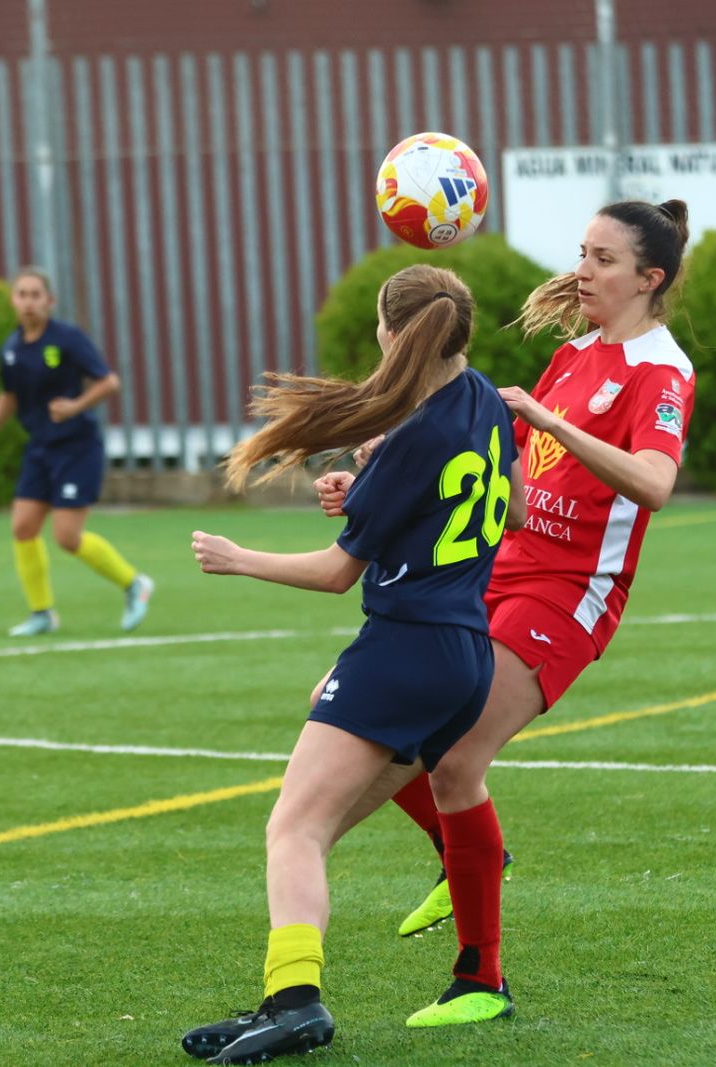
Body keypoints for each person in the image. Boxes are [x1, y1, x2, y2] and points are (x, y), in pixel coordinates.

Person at [314, 200, 696, 992]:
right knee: (339, 698)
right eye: (583, 253)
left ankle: (480, 981)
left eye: (603, 260)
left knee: (455, 757)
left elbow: (656, 484)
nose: (583, 271)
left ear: (648, 278)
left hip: (570, 591)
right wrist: (388, 471)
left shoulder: (662, 371)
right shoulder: (575, 355)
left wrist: (546, 415)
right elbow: (500, 468)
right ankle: (470, 859)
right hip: (494, 569)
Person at [179, 264, 525, 1065]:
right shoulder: (483, 403)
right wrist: (371, 484)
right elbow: (491, 501)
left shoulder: (411, 439)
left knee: (293, 828)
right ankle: (283, 993)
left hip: (405, 649)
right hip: (466, 653)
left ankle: (298, 1002)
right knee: (321, 816)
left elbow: (339, 573)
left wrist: (241, 558)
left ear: (395, 334)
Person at [0, 267, 153, 635]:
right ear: (13, 300)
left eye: (36, 295)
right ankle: (42, 614)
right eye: (22, 294)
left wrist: (75, 406)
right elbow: (9, 396)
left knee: (67, 537)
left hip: (77, 447)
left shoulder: (67, 339)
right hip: (40, 448)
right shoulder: (11, 349)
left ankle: (135, 585)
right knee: (22, 527)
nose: (29, 301)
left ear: (50, 301)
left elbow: (109, 382)